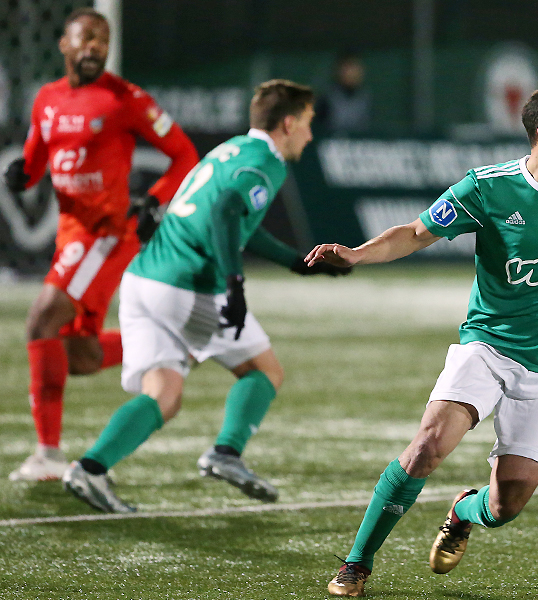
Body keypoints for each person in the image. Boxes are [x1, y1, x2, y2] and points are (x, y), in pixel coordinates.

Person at [306, 83, 538, 597]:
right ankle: (356, 563)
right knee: (427, 447)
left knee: (505, 504)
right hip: (488, 347)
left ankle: (462, 512)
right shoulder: (488, 188)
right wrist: (357, 255)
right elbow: (418, 232)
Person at [62, 79, 349, 513]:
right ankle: (226, 453)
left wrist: (296, 262)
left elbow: (238, 223)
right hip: (186, 284)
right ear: (288, 124)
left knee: (163, 394)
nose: (310, 134)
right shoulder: (266, 163)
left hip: (143, 279)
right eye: (307, 123)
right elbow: (225, 211)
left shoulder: (231, 149)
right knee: (264, 371)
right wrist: (234, 284)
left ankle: (90, 468)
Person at [3, 8, 198, 482]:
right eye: (86, 37)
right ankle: (173, 346)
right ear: (64, 44)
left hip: (107, 233)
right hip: (71, 233)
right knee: (80, 357)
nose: (94, 47)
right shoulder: (47, 99)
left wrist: (154, 201)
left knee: (41, 319)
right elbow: (34, 158)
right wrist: (21, 175)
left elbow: (184, 154)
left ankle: (47, 455)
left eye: (102, 40)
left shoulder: (126, 99)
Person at [314, 51, 371, 135]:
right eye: (348, 68)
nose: (352, 73)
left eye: (355, 68)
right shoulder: (327, 98)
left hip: (359, 142)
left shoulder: (366, 98)